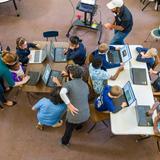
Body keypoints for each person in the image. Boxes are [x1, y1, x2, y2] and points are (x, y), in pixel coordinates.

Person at [53, 65, 90, 146]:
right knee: (77, 122)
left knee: (68, 130)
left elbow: (62, 93)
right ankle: (78, 127)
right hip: (86, 114)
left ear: (71, 75)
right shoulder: (85, 85)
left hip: (74, 116)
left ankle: (64, 142)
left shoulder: (68, 84)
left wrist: (69, 104)